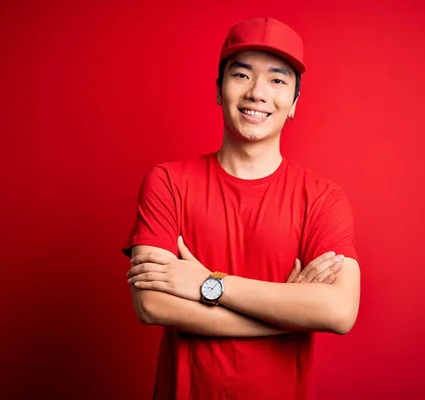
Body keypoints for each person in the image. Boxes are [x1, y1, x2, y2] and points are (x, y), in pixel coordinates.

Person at [122, 17, 361, 400]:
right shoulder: (167, 182)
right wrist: (285, 318)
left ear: (294, 103)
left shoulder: (322, 198)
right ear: (219, 90)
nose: (257, 93)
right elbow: (151, 303)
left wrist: (206, 284)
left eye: (277, 80)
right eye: (242, 75)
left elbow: (338, 311)